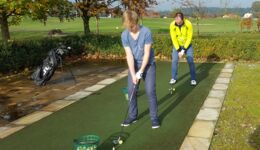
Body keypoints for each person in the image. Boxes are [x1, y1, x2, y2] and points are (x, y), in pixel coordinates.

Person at [120, 10, 160, 129]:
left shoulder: (146, 32)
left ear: (137, 22)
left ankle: (154, 118)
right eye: (127, 26)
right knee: (132, 91)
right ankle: (132, 116)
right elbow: (129, 55)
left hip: (148, 65)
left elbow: (147, 53)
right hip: (134, 65)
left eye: (132, 26)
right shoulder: (124, 35)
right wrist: (133, 74)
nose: (130, 28)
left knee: (150, 91)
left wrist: (141, 71)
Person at [169, 12, 197, 86]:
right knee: (174, 61)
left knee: (190, 61)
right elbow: (173, 38)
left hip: (187, 45)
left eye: (179, 22)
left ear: (182, 19)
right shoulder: (172, 25)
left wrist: (183, 50)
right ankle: (173, 78)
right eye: (176, 21)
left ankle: (193, 79)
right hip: (177, 45)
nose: (177, 23)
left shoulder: (188, 24)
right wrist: (178, 50)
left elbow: (189, 38)